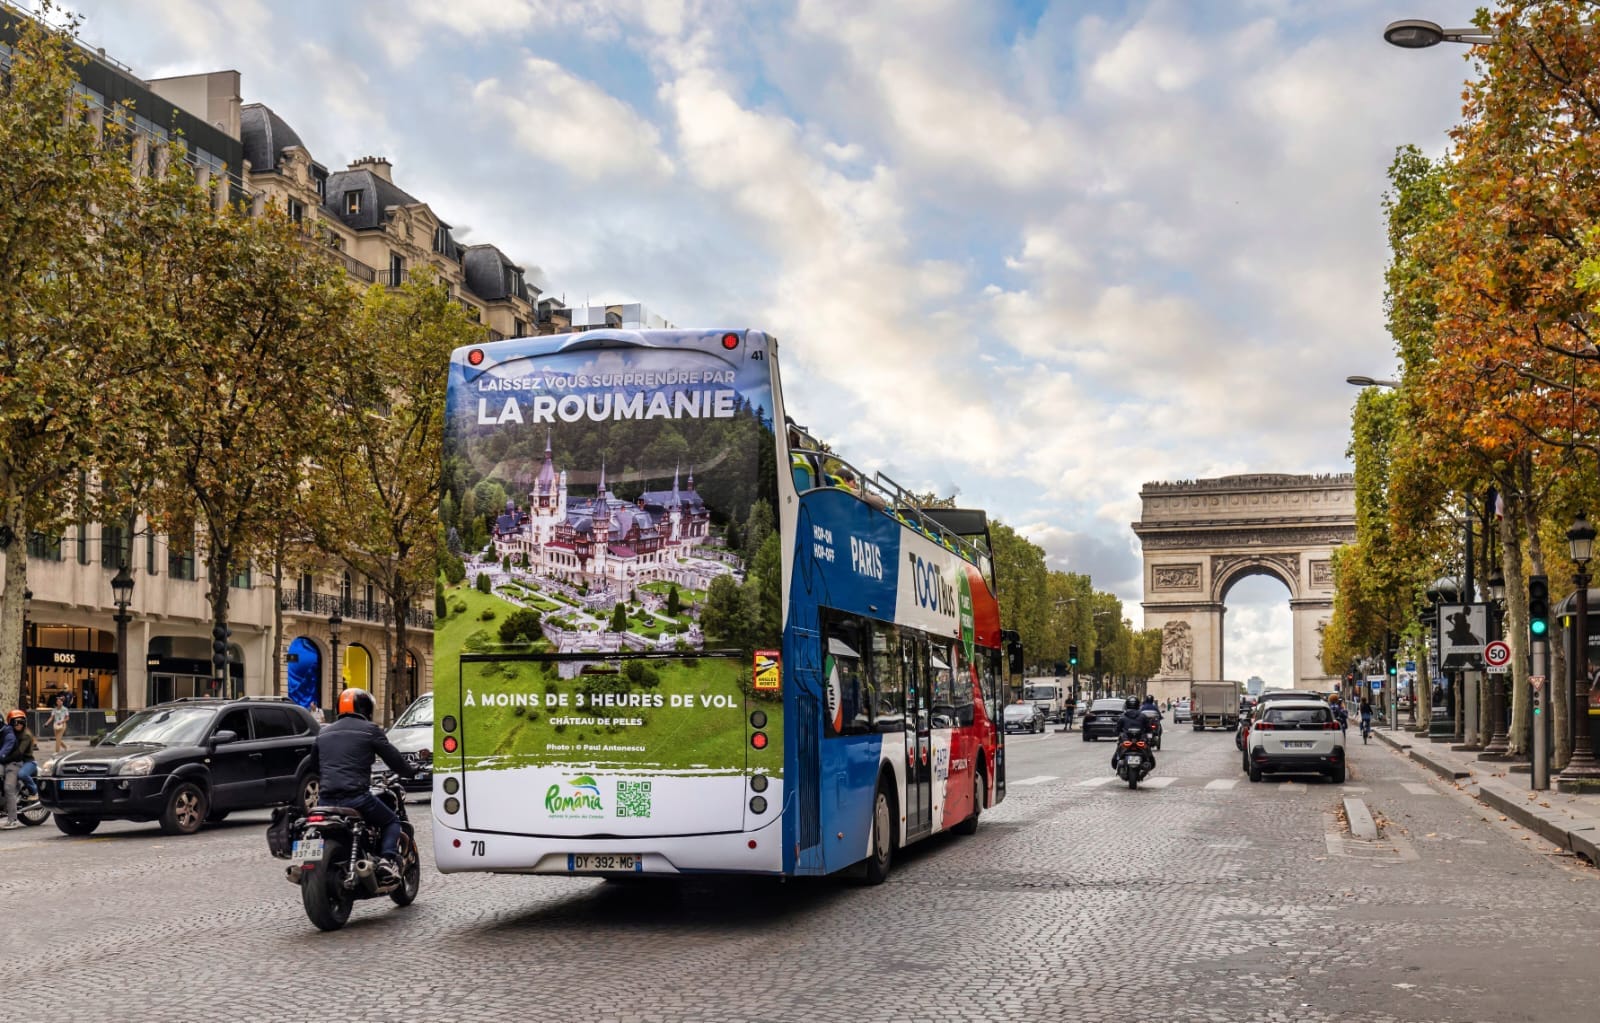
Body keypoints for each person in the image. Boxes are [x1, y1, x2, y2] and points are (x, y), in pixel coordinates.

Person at [303, 688, 417, 882]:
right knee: (391, 821)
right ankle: (386, 861)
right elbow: (393, 758)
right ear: (367, 709)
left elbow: (313, 765)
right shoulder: (370, 730)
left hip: (325, 800)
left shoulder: (324, 732)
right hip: (356, 798)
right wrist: (410, 771)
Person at [2, 709, 37, 829]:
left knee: (9, 787)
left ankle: (13, 819)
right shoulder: (8, 732)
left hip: (22, 762)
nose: (19, 725)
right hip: (10, 761)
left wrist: (3, 759)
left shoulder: (25, 735)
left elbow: (18, 754)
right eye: (16, 722)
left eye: (21, 722)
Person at [1110, 696, 1156, 773]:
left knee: (1117, 753)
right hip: (1140, 740)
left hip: (1126, 740)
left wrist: (1116, 732)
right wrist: (1150, 734)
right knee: (1149, 753)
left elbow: (1117, 729)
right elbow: (1149, 728)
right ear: (1138, 705)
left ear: (1127, 705)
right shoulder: (1143, 716)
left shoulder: (1122, 717)